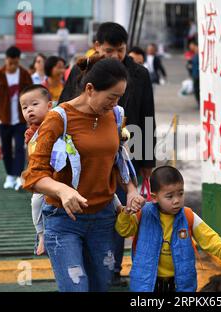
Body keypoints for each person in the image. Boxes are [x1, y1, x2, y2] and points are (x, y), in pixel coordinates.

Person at [22, 57, 145, 292]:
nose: (116, 102)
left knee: (100, 287)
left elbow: (117, 158)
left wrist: (130, 190)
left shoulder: (116, 115)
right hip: (64, 219)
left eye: (119, 96)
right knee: (76, 288)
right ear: (90, 89)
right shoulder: (58, 119)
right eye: (111, 96)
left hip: (104, 218)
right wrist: (62, 190)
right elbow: (33, 175)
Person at [59, 22, 157, 286]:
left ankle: (112, 266)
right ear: (97, 46)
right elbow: (62, 108)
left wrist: (147, 160)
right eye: (110, 50)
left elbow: (148, 116)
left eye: (121, 50)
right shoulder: (82, 71)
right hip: (86, 157)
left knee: (122, 210)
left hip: (127, 153)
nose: (116, 56)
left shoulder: (139, 74)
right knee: (93, 206)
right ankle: (88, 260)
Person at [116, 165, 221, 292]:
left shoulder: (188, 216)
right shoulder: (143, 214)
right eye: (170, 196)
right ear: (154, 197)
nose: (177, 200)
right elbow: (123, 230)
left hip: (180, 284)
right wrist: (127, 212)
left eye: (180, 194)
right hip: (147, 284)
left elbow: (210, 238)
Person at [0, 45, 33, 190]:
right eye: (10, 62)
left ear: (18, 60)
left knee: (19, 147)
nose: (12, 66)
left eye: (15, 63)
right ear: (6, 60)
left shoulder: (24, 75)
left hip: (20, 119)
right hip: (3, 119)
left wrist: (31, 117)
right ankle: (9, 175)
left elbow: (31, 95)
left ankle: (18, 176)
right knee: (5, 148)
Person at [20, 85, 53, 256]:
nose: (29, 110)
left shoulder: (57, 123)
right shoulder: (30, 132)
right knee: (36, 202)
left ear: (49, 106)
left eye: (34, 104)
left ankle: (118, 207)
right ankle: (41, 234)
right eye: (25, 108)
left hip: (58, 174)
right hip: (42, 176)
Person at [188, 39, 200, 107]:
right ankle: (198, 103)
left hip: (198, 75)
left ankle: (199, 103)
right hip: (195, 75)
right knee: (196, 90)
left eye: (191, 45)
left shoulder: (199, 55)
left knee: (197, 90)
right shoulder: (194, 55)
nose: (190, 47)